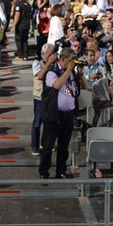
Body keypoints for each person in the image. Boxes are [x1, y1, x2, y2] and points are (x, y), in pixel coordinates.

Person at [39, 47, 86, 180]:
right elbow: (57, 85)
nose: (73, 63)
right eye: (71, 60)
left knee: (64, 146)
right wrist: (69, 70)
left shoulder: (71, 73)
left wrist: (80, 73)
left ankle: (61, 171)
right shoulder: (51, 71)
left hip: (68, 115)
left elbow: (85, 87)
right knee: (48, 146)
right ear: (63, 59)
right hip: (53, 115)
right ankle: (44, 171)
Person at [31, 44, 57, 155]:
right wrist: (48, 63)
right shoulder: (37, 62)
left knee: (49, 123)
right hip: (39, 97)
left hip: (50, 97)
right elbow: (40, 75)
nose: (51, 57)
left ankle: (45, 144)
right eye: (49, 54)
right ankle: (34, 146)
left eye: (53, 54)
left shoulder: (56, 64)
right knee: (37, 123)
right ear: (43, 54)